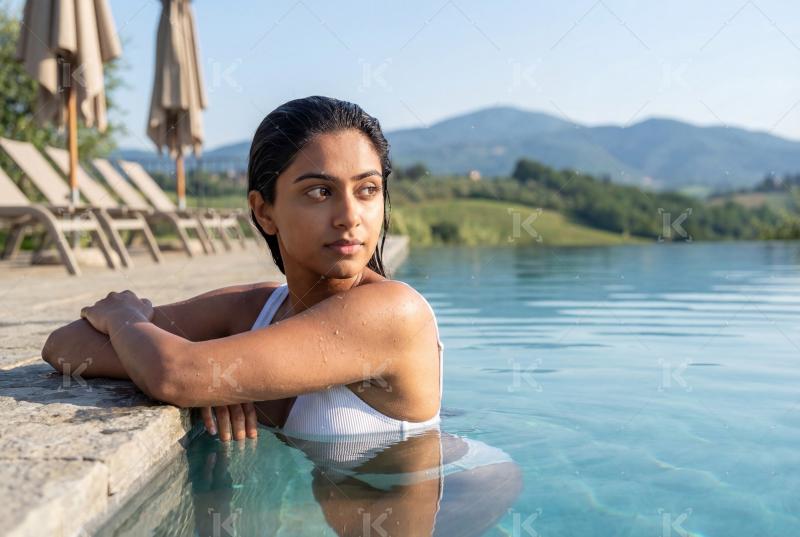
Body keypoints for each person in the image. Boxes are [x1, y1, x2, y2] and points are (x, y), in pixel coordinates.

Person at [41, 96, 444, 443]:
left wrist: (125, 319)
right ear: (264, 211)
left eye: (367, 189)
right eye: (320, 192)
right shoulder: (256, 309)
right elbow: (64, 345)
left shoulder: (394, 312)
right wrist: (215, 376)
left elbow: (175, 375)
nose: (350, 216)